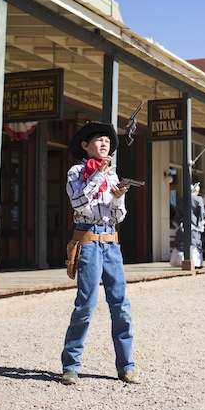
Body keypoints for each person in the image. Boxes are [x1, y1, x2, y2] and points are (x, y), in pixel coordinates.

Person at [60, 121, 138, 386]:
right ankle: (70, 366)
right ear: (85, 145)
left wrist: (118, 197)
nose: (105, 144)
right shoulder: (76, 171)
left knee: (121, 306)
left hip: (111, 243)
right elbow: (78, 202)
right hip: (88, 241)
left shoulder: (114, 176)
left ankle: (126, 366)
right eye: (99, 140)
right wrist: (97, 177)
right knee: (85, 304)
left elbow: (119, 216)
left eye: (108, 141)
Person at [172, 182, 205, 268]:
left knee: (182, 242)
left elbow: (177, 214)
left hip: (183, 224)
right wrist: (202, 222)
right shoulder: (198, 199)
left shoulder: (181, 199)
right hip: (194, 224)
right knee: (194, 243)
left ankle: (179, 260)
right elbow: (201, 213)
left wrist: (176, 223)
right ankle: (196, 262)